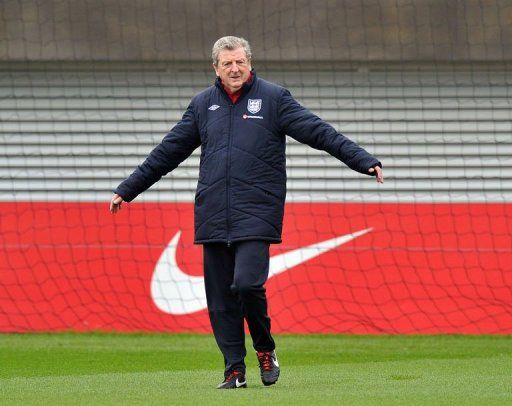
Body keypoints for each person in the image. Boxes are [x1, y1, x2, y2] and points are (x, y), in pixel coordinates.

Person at [110, 36, 384, 389]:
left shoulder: (274, 99)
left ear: (250, 63)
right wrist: (127, 189)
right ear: (216, 68)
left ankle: (265, 350)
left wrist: (363, 161)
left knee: (248, 284)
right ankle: (233, 370)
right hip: (213, 214)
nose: (235, 69)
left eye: (240, 62)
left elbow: (319, 132)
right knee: (221, 300)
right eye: (228, 64)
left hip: (257, 212)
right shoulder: (201, 105)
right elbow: (167, 153)